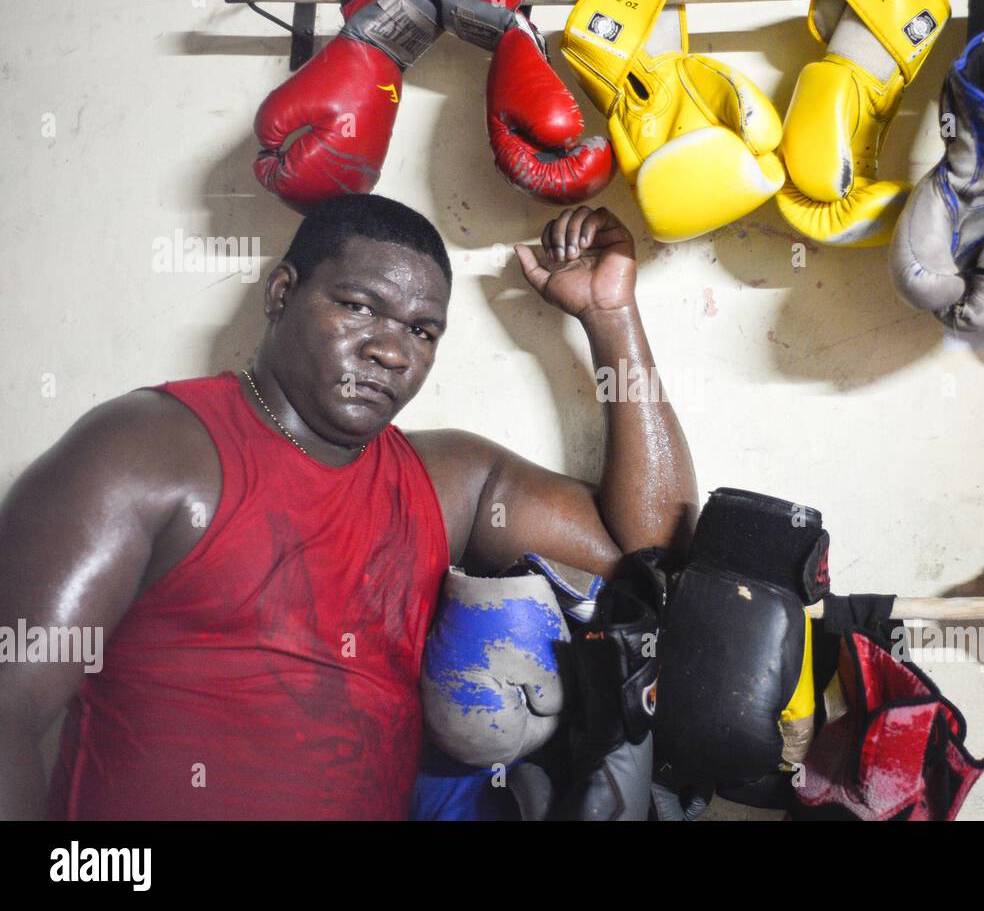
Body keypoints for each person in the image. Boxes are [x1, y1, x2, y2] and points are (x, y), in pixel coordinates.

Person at [0, 194, 697, 820]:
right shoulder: (150, 444)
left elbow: (656, 548)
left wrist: (612, 316)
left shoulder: (446, 482)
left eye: (424, 331)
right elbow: (9, 706)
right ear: (281, 292)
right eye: (360, 306)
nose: (392, 349)